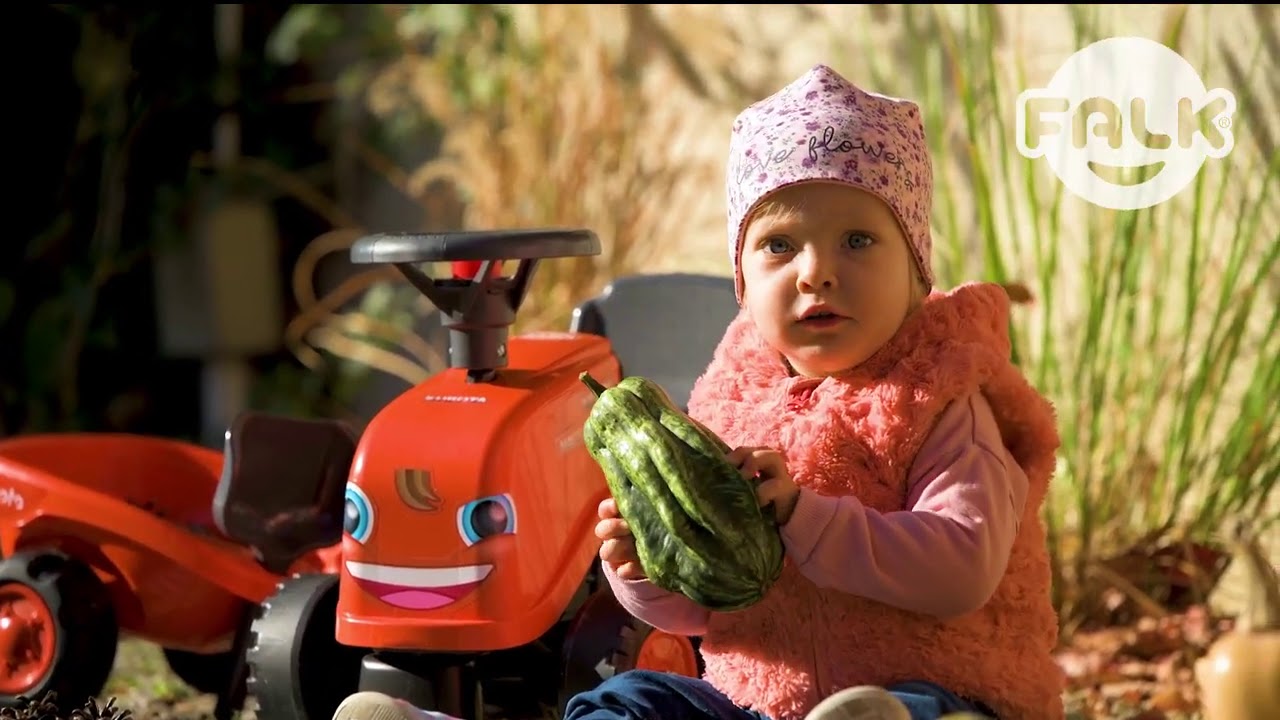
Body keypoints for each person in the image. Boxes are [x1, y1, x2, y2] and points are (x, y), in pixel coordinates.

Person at [332, 63, 1064, 720]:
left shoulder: (939, 402)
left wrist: (808, 520)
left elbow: (962, 571)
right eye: (780, 245)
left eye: (858, 241)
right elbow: (700, 609)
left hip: (932, 689)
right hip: (757, 704)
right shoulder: (729, 403)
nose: (816, 271)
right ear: (744, 282)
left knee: (913, 715)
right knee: (628, 701)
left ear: (916, 274)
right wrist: (643, 573)